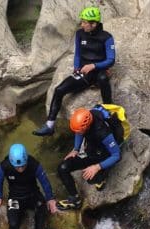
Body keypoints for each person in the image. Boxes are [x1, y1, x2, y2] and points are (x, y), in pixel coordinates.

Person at [33, 7, 115, 137]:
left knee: (103, 78)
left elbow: (111, 60)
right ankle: (49, 125)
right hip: (84, 72)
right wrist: (77, 68)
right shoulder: (80, 34)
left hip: (99, 71)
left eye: (84, 22)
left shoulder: (107, 37)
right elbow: (78, 54)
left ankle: (109, 109)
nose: (81, 24)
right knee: (59, 90)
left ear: (93, 24)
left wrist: (94, 65)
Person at [0, 144, 58, 229]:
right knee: (13, 223)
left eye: (23, 166)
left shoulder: (34, 164)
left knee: (42, 208)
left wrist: (50, 198)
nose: (20, 169)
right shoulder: (5, 165)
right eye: (17, 167)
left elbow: (44, 181)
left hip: (33, 194)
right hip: (15, 197)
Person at [56, 108, 121, 210]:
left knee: (91, 178)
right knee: (63, 167)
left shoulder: (103, 133)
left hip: (104, 155)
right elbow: (79, 133)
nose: (78, 133)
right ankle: (75, 200)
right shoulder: (87, 118)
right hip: (92, 150)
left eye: (80, 130)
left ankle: (102, 177)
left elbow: (117, 155)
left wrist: (97, 167)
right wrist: (76, 149)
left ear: (87, 126)